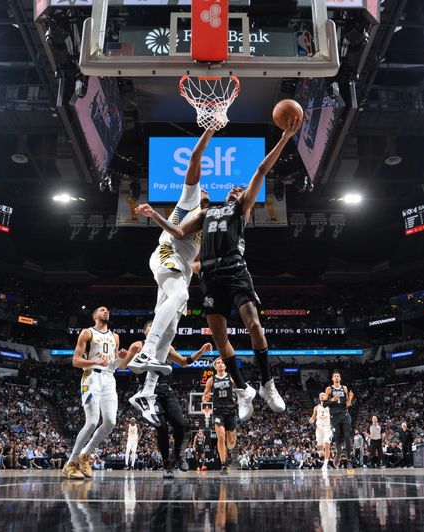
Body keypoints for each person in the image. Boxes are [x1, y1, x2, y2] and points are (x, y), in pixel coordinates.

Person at [135, 116, 302, 421]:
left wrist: (285, 138)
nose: (238, 189)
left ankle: (267, 383)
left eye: (241, 189)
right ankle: (242, 391)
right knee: (220, 338)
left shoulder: (242, 208)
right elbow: (178, 233)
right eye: (235, 188)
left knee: (253, 325)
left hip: (236, 269)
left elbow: (262, 170)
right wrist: (153, 215)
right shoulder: (205, 214)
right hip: (209, 275)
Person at [128, 129, 215, 426]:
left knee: (171, 329)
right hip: (167, 254)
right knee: (181, 297)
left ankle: (146, 393)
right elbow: (195, 157)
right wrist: (211, 128)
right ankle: (146, 352)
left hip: (181, 269)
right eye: (204, 191)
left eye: (206, 193)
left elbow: (199, 264)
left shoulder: (207, 234)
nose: (204, 191)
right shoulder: (191, 199)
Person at [127, 320, 211, 478]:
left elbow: (184, 362)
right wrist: (124, 357)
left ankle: (177, 456)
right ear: (145, 332)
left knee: (180, 424)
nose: (155, 327)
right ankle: (166, 463)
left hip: (166, 390)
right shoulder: (138, 346)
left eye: (156, 325)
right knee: (162, 427)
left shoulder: (167, 346)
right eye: (150, 326)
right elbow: (125, 366)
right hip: (148, 391)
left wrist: (201, 351)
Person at [63, 306, 137, 480]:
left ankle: (85, 455)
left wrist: (122, 356)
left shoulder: (115, 337)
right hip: (91, 377)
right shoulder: (87, 333)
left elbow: (117, 366)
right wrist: (92, 361)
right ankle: (70, 463)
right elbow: (75, 361)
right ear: (95, 315)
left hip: (109, 378)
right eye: (102, 310)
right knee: (92, 421)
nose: (106, 312)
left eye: (107, 311)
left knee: (111, 422)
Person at [203, 358, 239, 476]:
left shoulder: (231, 377)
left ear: (225, 365)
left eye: (222, 362)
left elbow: (240, 390)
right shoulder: (211, 380)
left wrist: (239, 398)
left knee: (231, 441)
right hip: (218, 411)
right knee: (221, 436)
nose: (220, 364)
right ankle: (223, 464)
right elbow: (205, 395)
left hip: (231, 410)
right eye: (217, 363)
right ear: (215, 367)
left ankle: (227, 450)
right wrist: (205, 398)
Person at [325, 371, 354, 469]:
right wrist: (331, 400)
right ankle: (339, 453)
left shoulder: (344, 388)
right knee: (338, 438)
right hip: (335, 416)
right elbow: (324, 404)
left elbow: (348, 404)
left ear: (340, 378)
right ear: (332, 379)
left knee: (347, 436)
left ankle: (349, 460)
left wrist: (350, 398)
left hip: (345, 414)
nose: (336, 377)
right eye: (335, 376)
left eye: (338, 376)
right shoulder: (329, 389)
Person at [309, 392, 332, 471]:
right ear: (319, 398)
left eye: (323, 395)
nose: (322, 396)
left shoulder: (330, 406)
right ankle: (322, 460)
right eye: (320, 395)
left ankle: (325, 464)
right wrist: (311, 420)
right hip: (319, 428)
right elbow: (313, 416)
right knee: (319, 447)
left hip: (327, 428)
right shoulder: (316, 407)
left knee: (327, 445)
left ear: (326, 397)